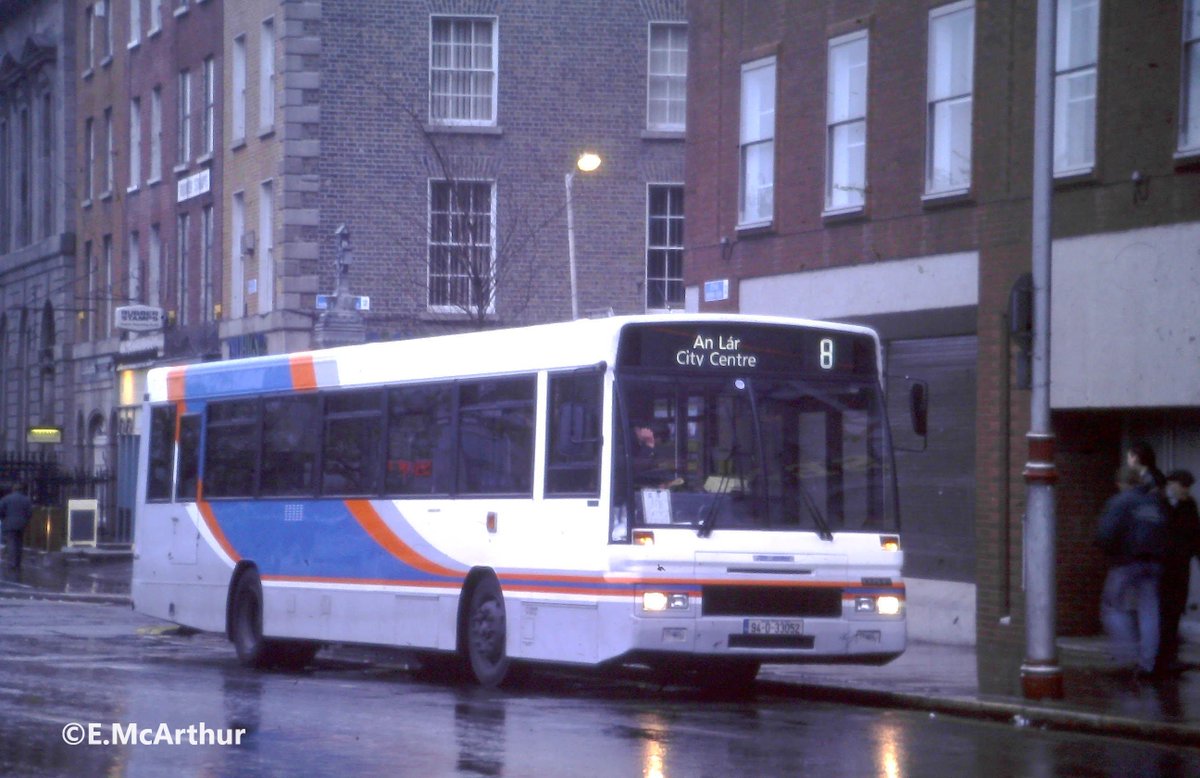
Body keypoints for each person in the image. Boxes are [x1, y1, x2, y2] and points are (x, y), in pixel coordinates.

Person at [1096, 466, 1168, 678]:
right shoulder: (1155, 503)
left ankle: (1127, 658)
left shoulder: (1120, 502)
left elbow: (1105, 534)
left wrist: (1111, 552)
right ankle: (1148, 663)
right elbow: (1167, 531)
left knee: (1112, 607)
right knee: (1149, 612)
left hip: (1126, 562)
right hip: (1154, 563)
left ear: (1120, 484)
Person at [1157, 469, 1200, 673]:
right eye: (1184, 486)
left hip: (1180, 565)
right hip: (1161, 565)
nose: (1186, 491)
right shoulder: (1159, 503)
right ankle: (1160, 656)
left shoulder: (1188, 505)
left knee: (1174, 610)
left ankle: (1169, 656)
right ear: (1172, 484)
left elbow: (1195, 534)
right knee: (1162, 610)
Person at [0, 482, 33, 572]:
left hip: (9, 524)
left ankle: (12, 563)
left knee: (12, 543)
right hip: (22, 524)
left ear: (13, 490)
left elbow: (1, 511)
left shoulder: (6, 499)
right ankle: (18, 562)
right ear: (21, 490)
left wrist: (4, 519)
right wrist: (25, 520)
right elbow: (30, 513)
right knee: (19, 543)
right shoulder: (27, 499)